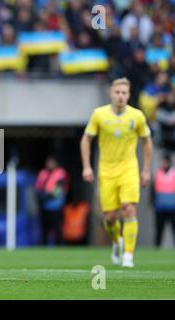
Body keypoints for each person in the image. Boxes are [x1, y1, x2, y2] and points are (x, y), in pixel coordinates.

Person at [80, 77, 153, 268]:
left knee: (129, 208)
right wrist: (87, 166)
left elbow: (147, 141)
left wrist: (145, 170)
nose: (120, 96)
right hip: (106, 170)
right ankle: (117, 241)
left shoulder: (137, 116)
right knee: (110, 217)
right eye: (117, 92)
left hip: (129, 168)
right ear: (111, 94)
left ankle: (128, 255)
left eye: (124, 93)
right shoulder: (99, 115)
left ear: (129, 95)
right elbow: (86, 139)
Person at [35, 156, 69, 246]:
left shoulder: (60, 173)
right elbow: (38, 187)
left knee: (57, 228)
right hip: (44, 205)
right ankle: (43, 246)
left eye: (52, 162)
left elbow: (59, 188)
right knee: (44, 228)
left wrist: (47, 195)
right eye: (48, 162)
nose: (50, 165)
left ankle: (60, 246)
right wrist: (41, 197)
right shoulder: (42, 173)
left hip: (56, 205)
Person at [151, 153, 175, 247]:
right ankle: (157, 248)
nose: (163, 163)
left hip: (173, 208)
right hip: (160, 208)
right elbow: (153, 190)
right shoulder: (158, 174)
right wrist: (153, 203)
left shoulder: (173, 174)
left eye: (165, 161)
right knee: (159, 230)